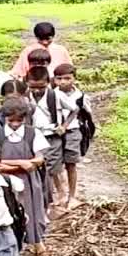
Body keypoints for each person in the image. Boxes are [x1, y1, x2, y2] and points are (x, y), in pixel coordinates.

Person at [0, 97, 50, 256]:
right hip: (4, 181)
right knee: (6, 211)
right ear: (4, 118)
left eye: (19, 120)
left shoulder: (33, 133)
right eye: (11, 120)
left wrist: (9, 165)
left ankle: (36, 242)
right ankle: (9, 246)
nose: (15, 124)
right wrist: (22, 163)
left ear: (26, 118)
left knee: (32, 211)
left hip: (28, 182)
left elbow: (38, 159)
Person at [26, 65, 77, 214]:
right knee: (39, 169)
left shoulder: (55, 96)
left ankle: (50, 200)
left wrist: (64, 125)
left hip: (52, 136)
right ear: (27, 83)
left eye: (41, 87)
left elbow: (74, 109)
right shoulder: (25, 97)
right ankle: (47, 198)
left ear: (48, 82)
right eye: (33, 87)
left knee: (51, 169)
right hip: (34, 137)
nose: (36, 91)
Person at [53, 63, 92, 209]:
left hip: (73, 131)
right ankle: (61, 193)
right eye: (59, 78)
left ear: (74, 78)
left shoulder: (81, 96)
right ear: (54, 80)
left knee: (71, 163)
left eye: (67, 78)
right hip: (55, 132)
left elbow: (87, 114)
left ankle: (72, 196)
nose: (63, 82)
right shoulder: (52, 94)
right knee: (55, 165)